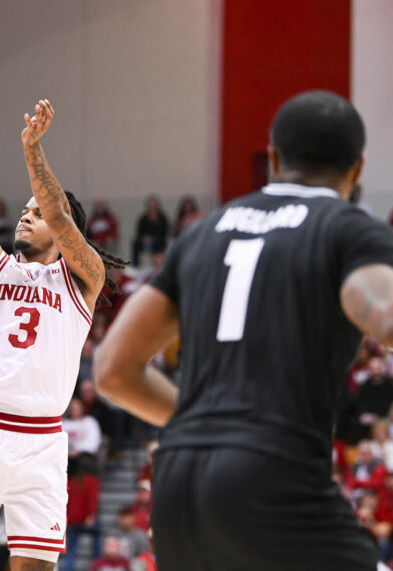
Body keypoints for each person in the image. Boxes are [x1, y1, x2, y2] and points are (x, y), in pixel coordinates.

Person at [94, 90, 393, 570]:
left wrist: (198, 422)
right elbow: (384, 313)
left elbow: (111, 371)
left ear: (273, 158)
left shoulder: (200, 232)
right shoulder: (349, 228)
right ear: (357, 169)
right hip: (271, 477)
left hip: (176, 488)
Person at [0, 55, 125, 570]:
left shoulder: (83, 277)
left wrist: (34, 152)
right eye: (25, 210)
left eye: (35, 214)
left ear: (63, 234)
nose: (25, 216)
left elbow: (58, 210)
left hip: (41, 442)